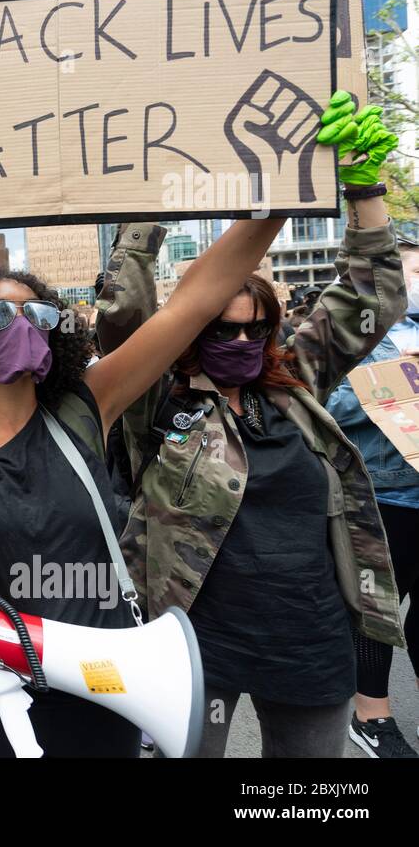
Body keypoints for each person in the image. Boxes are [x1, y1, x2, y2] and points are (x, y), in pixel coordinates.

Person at [0, 97, 365, 758]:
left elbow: (199, 298)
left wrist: (284, 194)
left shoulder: (89, 403)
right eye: (2, 318)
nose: (22, 327)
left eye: (38, 318)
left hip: (103, 687)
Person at [97, 95, 406, 758]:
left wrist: (364, 190)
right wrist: (149, 202)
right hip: (193, 641)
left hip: (310, 640)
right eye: (220, 328)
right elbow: (124, 312)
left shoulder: (298, 383)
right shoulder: (159, 397)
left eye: (253, 328)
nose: (239, 339)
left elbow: (371, 298)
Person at [324, 237, 419, 757]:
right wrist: (395, 380)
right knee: (377, 609)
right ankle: (372, 715)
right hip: (385, 495)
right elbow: (324, 406)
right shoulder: (352, 337)